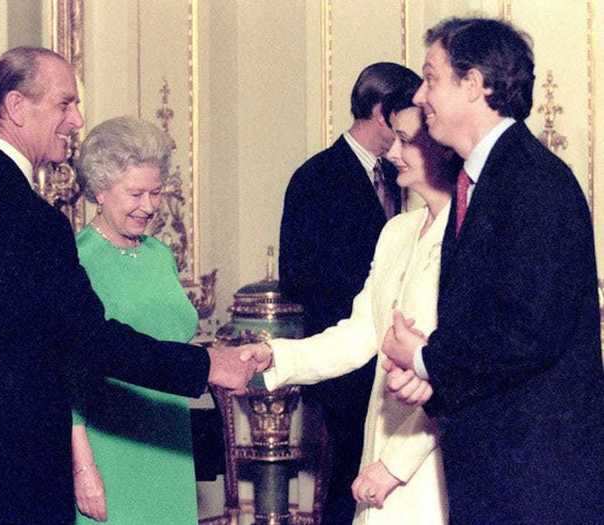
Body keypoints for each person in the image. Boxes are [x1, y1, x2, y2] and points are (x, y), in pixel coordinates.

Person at [0, 47, 253, 525]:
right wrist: (205, 365)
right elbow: (88, 341)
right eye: (64, 104)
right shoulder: (35, 220)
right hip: (22, 477)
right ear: (16, 107)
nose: (77, 119)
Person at [380, 17, 604, 524]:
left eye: (432, 78)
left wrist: (423, 358)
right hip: (499, 475)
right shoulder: (485, 181)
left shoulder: (533, 183)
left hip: (535, 484)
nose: (420, 95)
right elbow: (484, 326)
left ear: (476, 84)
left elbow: (526, 333)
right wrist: (432, 377)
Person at [236, 78, 460, 524]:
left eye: (404, 141)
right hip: (381, 439)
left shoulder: (469, 238)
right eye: (393, 138)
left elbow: (459, 373)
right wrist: (275, 357)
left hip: (435, 459)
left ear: (442, 149)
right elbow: (358, 336)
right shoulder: (396, 233)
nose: (392, 152)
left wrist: (395, 466)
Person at [277, 62, 420, 524]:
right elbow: (298, 275)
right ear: (382, 112)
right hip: (346, 370)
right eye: (399, 125)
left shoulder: (403, 184)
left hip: (396, 371)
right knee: (347, 486)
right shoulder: (315, 176)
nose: (402, 145)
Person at [69, 116, 201, 524]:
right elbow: (65, 373)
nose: (149, 206)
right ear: (100, 191)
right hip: (110, 449)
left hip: (170, 441)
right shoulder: (77, 260)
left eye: (156, 192)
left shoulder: (160, 256)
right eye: (136, 193)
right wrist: (83, 468)